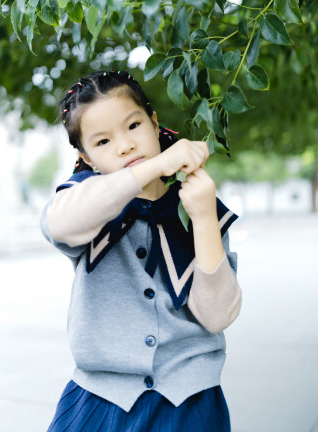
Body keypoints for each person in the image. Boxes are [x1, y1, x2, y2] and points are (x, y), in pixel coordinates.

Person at [40, 69, 242, 431]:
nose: (125, 145)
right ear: (86, 158)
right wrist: (156, 165)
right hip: (101, 401)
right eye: (102, 142)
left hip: (191, 403)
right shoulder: (87, 204)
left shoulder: (195, 201)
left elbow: (217, 315)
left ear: (153, 122)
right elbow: (58, 224)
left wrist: (205, 219)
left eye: (133, 126)